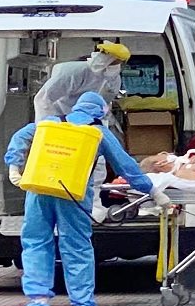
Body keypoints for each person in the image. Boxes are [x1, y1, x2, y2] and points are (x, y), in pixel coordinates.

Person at [5, 91, 168, 306]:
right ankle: (82, 305)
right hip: (73, 195)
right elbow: (126, 167)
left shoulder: (52, 122)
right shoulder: (99, 133)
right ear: (102, 111)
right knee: (77, 246)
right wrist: (153, 192)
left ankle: (37, 301)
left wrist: (14, 165)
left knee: (35, 242)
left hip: (39, 190)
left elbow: (21, 136)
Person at [34, 42, 130, 223]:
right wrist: (48, 131)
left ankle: (93, 207)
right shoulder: (72, 72)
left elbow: (104, 106)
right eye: (114, 60)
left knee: (96, 166)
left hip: (89, 128)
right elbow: (43, 100)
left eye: (120, 62)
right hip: (61, 126)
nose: (116, 65)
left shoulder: (113, 79)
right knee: (60, 169)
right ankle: (63, 211)